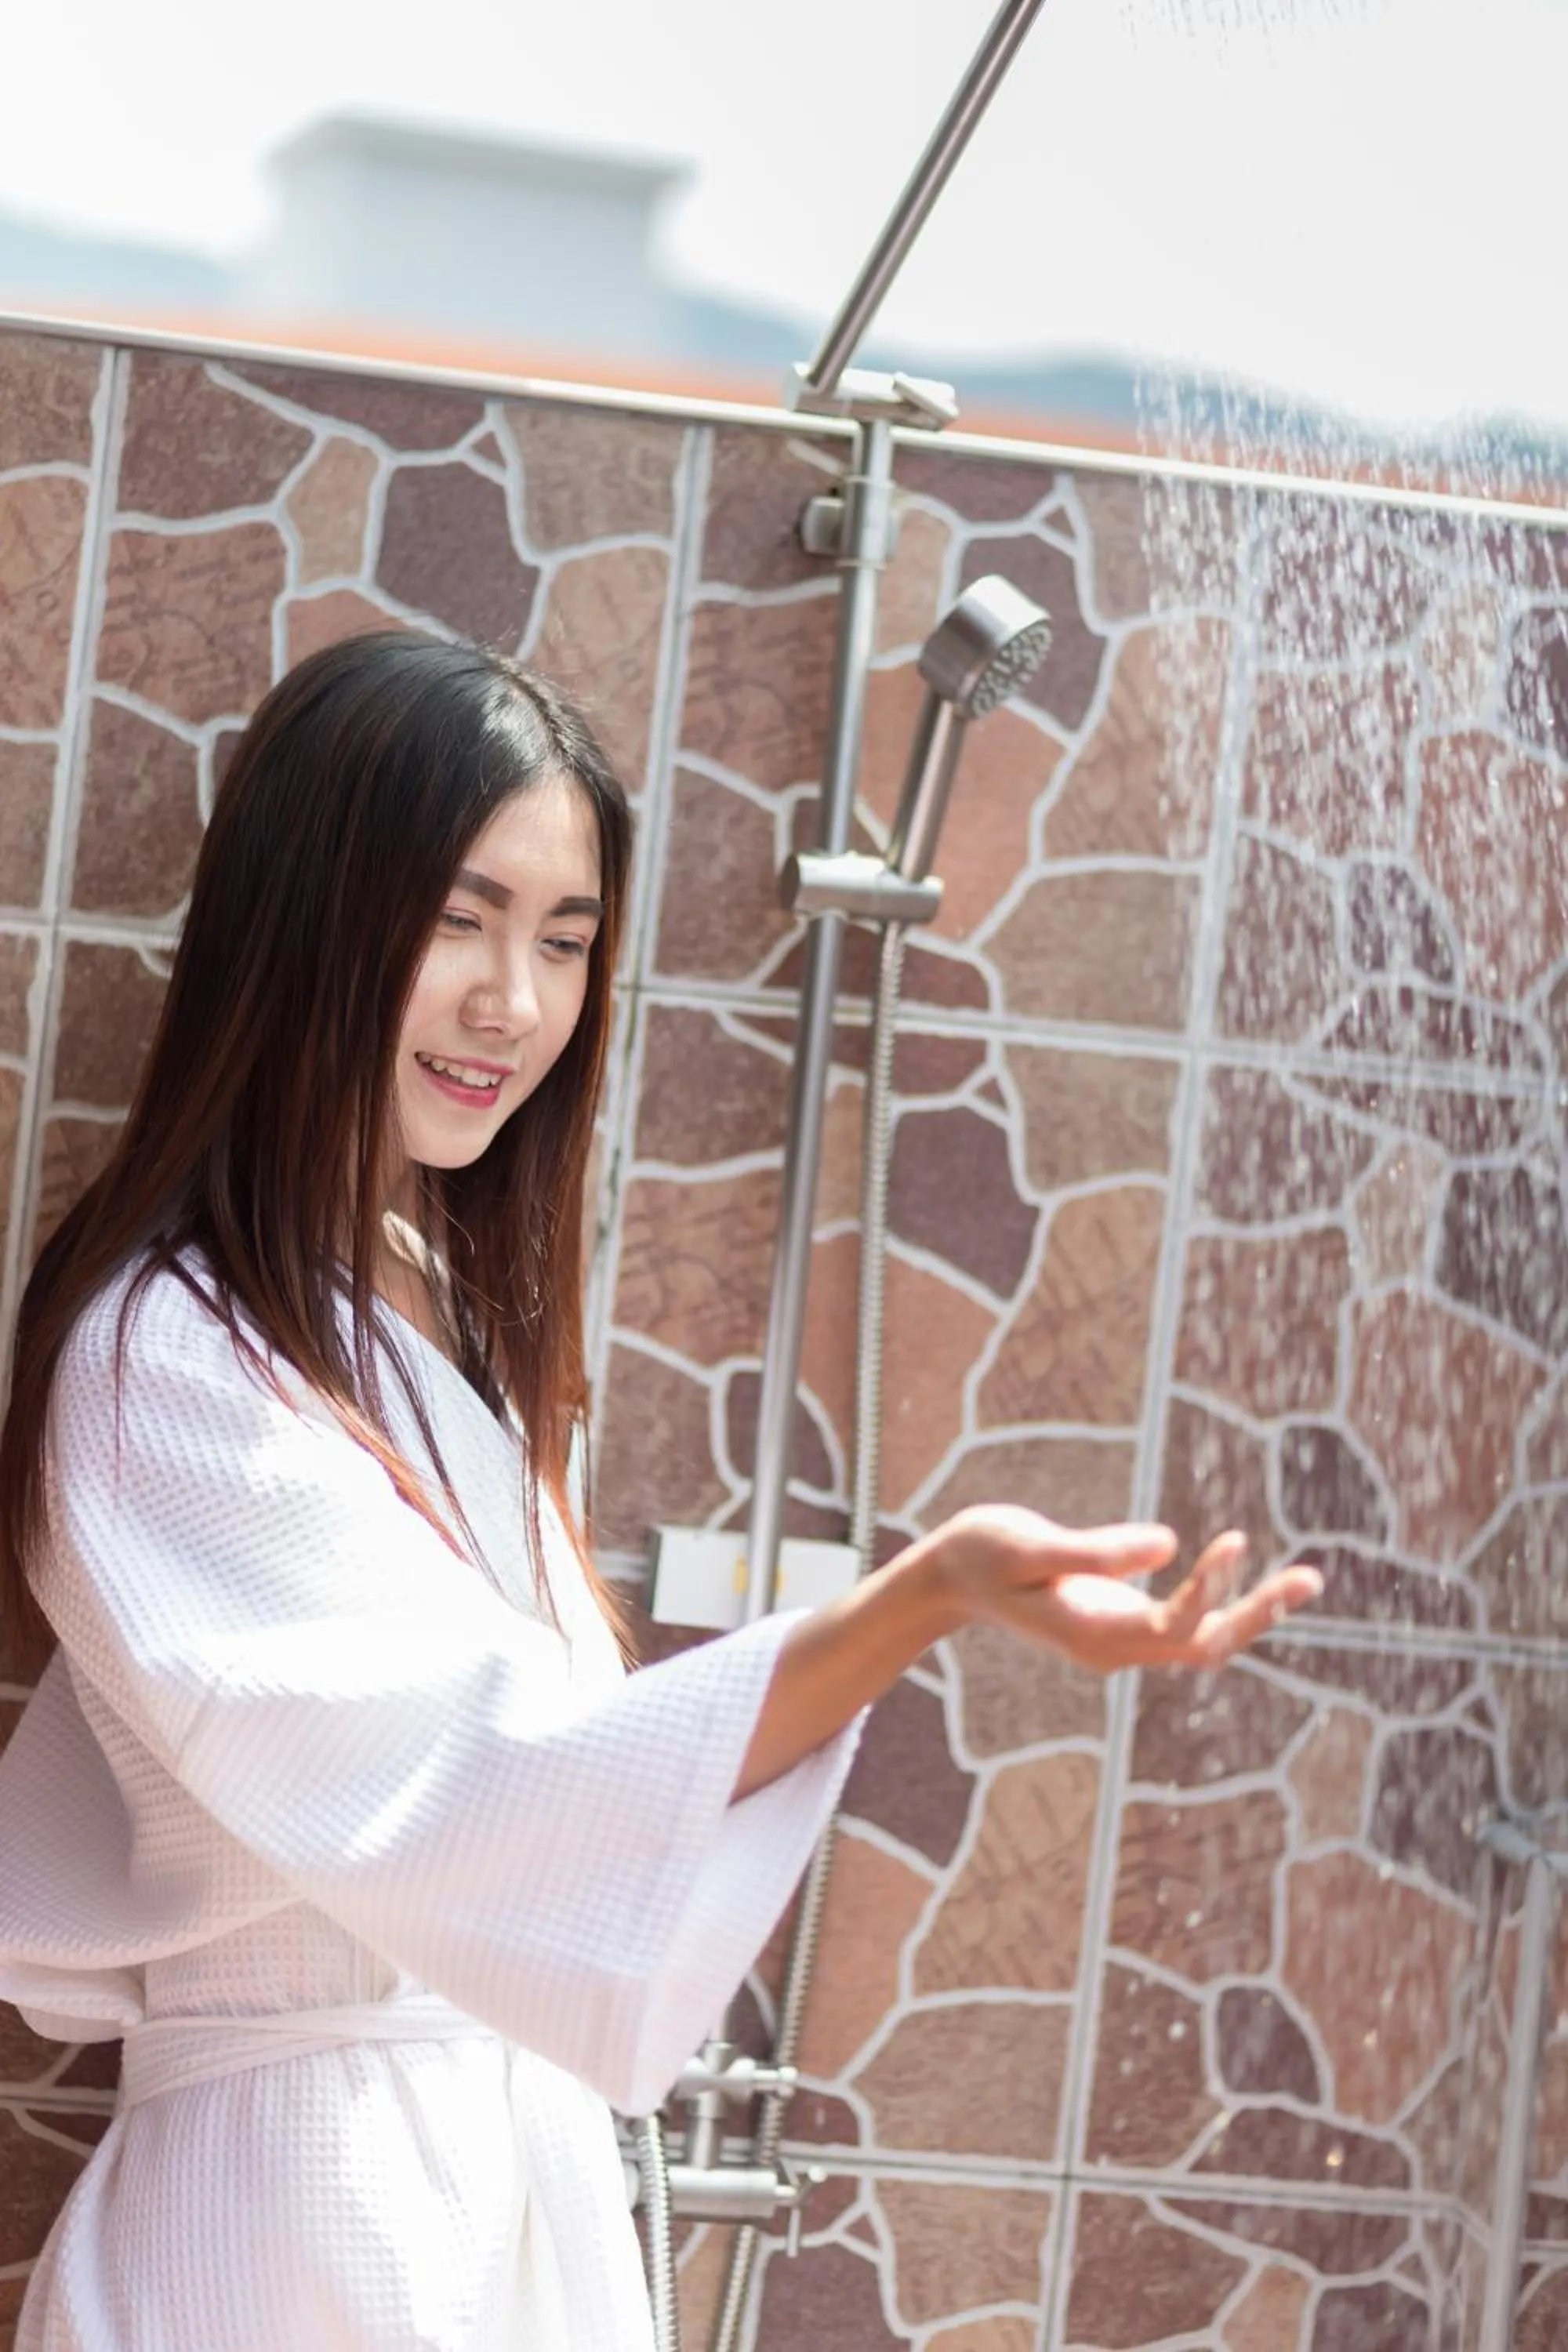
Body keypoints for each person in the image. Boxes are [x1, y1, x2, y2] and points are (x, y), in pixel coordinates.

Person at [0, 632, 1321, 2352]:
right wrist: (922, 1598)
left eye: (566, 942)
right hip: (294, 2217)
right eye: (460, 921)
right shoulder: (161, 1355)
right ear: (310, 909)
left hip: (476, 2187)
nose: (515, 1005)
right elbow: (486, 1782)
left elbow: (548, 1794)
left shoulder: (424, 1314)